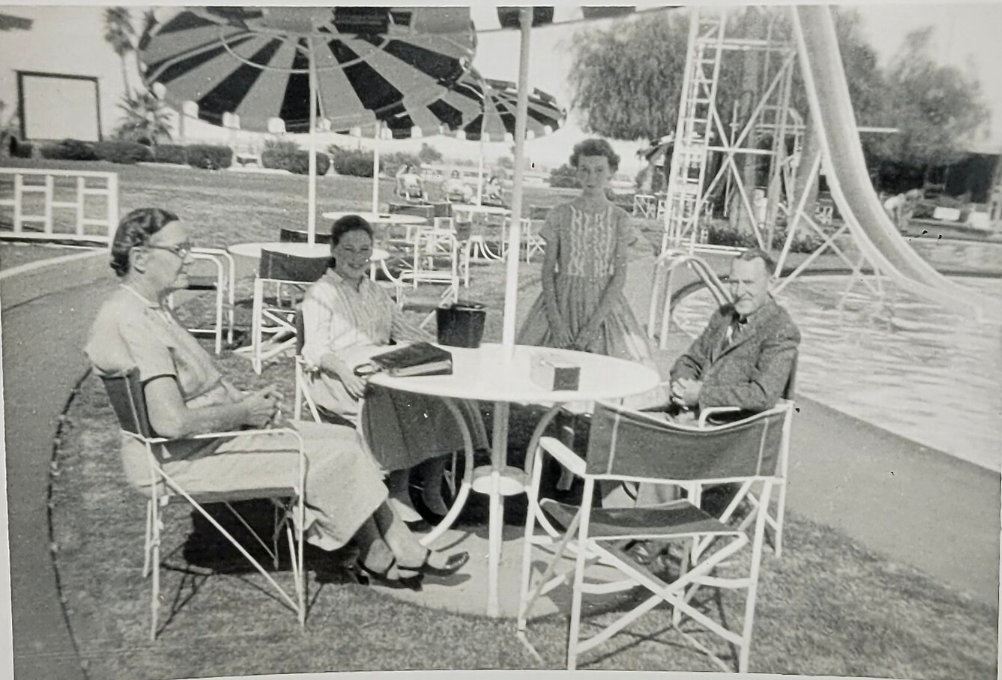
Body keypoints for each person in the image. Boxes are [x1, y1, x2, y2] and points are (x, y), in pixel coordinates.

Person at [86, 208, 468, 589]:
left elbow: (192, 393)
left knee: (347, 439)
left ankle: (393, 548)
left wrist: (247, 404)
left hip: (208, 441)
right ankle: (383, 551)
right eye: (179, 249)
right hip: (186, 457)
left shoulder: (147, 311)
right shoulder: (133, 320)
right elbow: (171, 422)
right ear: (140, 258)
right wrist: (243, 411)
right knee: (340, 454)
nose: (190, 256)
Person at [300, 214, 488, 521]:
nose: (356, 258)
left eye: (364, 250)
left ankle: (430, 485)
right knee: (399, 401)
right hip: (337, 378)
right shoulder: (321, 293)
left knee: (444, 396)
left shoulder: (375, 291)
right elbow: (317, 349)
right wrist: (346, 374)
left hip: (378, 369)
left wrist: (442, 350)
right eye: (348, 250)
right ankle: (398, 492)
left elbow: (405, 331)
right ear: (333, 249)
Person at [517, 137, 668, 409]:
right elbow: (548, 270)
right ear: (576, 172)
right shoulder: (560, 214)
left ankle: (586, 436)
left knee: (602, 375)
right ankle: (555, 432)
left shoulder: (619, 218)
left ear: (611, 172)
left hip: (603, 304)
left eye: (599, 170)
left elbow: (618, 276)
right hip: (561, 301)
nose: (592, 177)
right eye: (584, 169)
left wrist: (593, 324)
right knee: (549, 374)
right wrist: (555, 319)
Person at [667, 247, 800, 419]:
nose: (739, 292)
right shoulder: (724, 316)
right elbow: (690, 360)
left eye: (748, 283)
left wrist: (701, 396)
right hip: (693, 414)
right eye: (734, 282)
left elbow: (762, 395)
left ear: (770, 284)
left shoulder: (780, 330)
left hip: (730, 427)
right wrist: (682, 388)